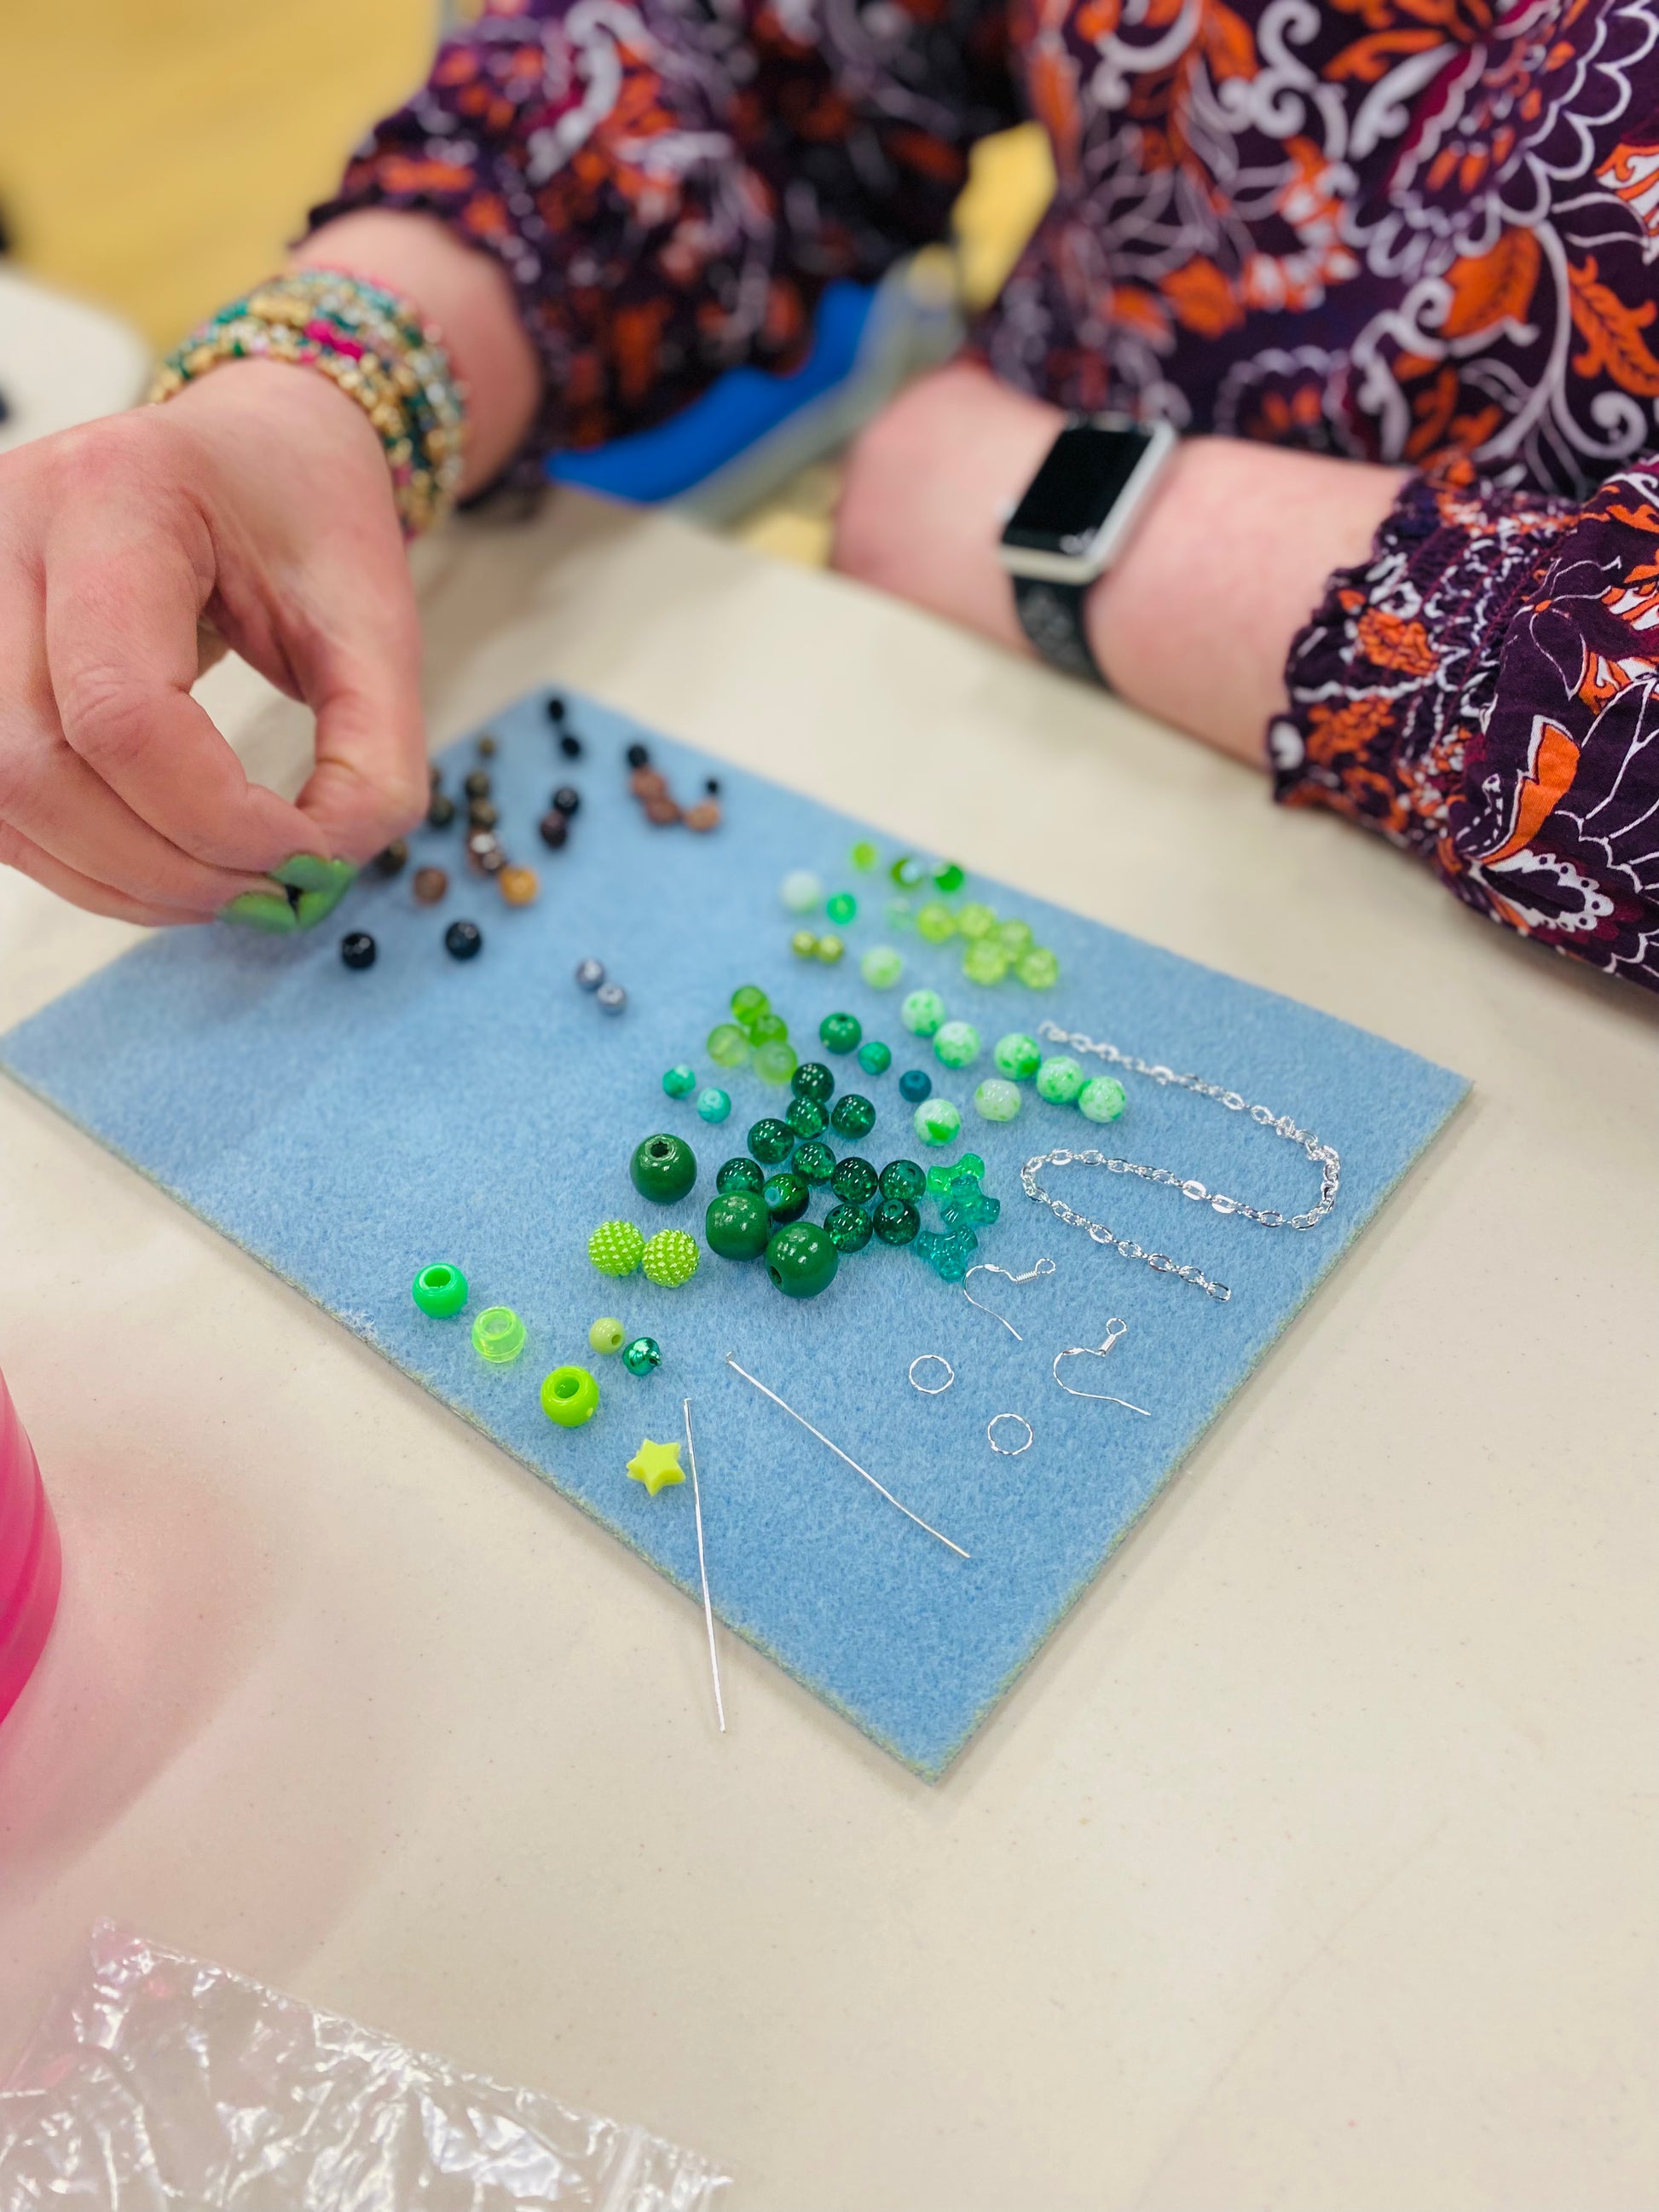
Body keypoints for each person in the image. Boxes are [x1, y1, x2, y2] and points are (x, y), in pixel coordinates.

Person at [0, 0, 1654, 987]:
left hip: (1516, 1013)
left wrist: (1049, 518)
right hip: (961, 709)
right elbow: (747, 52)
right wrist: (328, 379)